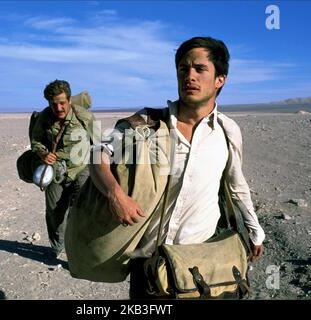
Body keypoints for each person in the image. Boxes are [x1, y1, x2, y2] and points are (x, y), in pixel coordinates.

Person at [89, 36, 265, 298]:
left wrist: (254, 230)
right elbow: (96, 154)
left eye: (200, 69)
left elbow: (236, 184)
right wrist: (115, 194)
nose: (189, 76)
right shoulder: (147, 122)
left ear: (220, 79)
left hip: (199, 258)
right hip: (150, 260)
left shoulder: (227, 132)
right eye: (183, 69)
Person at [31, 80, 94, 258]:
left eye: (62, 103)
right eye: (54, 104)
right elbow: (36, 141)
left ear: (70, 100)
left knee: (80, 212)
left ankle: (79, 250)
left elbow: (98, 145)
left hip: (81, 169)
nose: (58, 108)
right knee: (54, 212)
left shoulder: (84, 117)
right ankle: (57, 248)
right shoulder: (44, 117)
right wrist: (43, 154)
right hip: (55, 171)